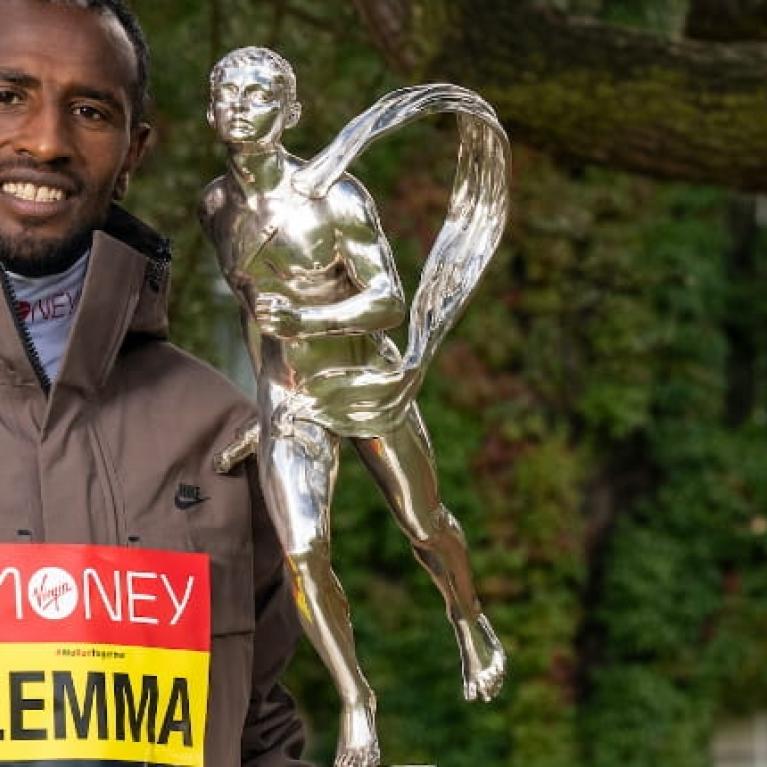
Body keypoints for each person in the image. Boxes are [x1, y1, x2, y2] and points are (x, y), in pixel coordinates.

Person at [0, 2, 308, 765]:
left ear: (133, 149)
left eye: (90, 110)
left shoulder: (224, 433)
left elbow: (258, 727)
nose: (45, 140)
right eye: (7, 96)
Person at [200, 47, 506, 767]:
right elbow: (252, 309)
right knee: (304, 551)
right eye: (228, 93)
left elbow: (389, 302)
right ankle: (355, 699)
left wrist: (308, 322)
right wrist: (264, 406)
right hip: (291, 399)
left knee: (424, 524)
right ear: (212, 109)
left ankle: (468, 617)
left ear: (291, 113)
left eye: (259, 93)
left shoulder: (336, 199)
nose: (241, 105)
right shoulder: (215, 206)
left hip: (365, 385)